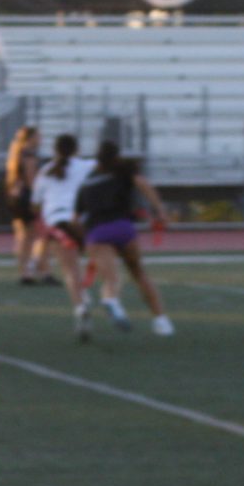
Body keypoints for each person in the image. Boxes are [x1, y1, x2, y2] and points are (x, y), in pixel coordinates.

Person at [71, 139, 176, 339]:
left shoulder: (87, 181)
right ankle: (161, 321)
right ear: (117, 156)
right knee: (138, 273)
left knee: (111, 279)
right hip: (123, 228)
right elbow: (144, 184)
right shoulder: (124, 172)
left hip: (97, 232)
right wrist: (160, 211)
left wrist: (83, 240)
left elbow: (75, 220)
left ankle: (111, 300)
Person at [30, 133, 96, 321]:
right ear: (77, 149)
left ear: (54, 150)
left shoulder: (46, 171)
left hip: (57, 223)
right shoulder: (86, 166)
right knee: (83, 260)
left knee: (70, 270)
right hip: (81, 221)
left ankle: (80, 306)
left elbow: (35, 203)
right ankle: (87, 295)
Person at [5, 124, 46, 284]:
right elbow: (31, 180)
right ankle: (30, 270)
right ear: (31, 138)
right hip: (26, 197)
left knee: (24, 236)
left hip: (15, 196)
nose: (41, 139)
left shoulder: (16, 151)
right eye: (38, 136)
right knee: (33, 236)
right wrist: (39, 198)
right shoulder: (28, 153)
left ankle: (26, 270)